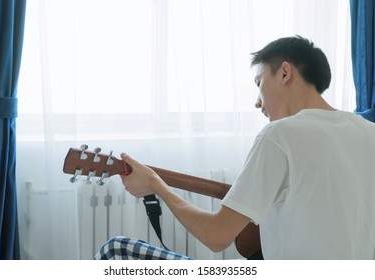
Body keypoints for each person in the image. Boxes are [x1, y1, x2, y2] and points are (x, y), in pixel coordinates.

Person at [95, 36, 375, 260]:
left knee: (116, 250)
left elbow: (217, 236)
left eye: (259, 83)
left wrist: (156, 185)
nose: (257, 102)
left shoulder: (279, 135)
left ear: (285, 73)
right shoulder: (369, 132)